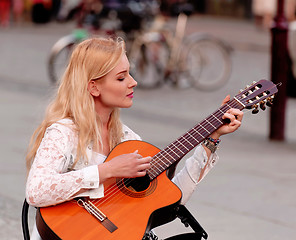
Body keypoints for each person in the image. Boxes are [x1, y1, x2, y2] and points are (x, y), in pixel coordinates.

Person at [25, 37, 243, 239]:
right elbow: (36, 191)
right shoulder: (63, 133)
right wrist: (108, 170)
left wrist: (210, 141)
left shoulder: (127, 138)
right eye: (121, 77)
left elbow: (167, 201)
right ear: (94, 87)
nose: (133, 82)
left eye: (130, 73)